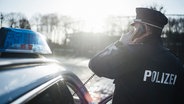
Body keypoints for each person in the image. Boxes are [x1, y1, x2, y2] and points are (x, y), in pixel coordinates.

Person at [88, 7, 184, 104]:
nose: (132, 32)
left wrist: (120, 44)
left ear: (145, 29)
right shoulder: (176, 63)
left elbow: (95, 64)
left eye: (135, 28)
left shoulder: (131, 54)